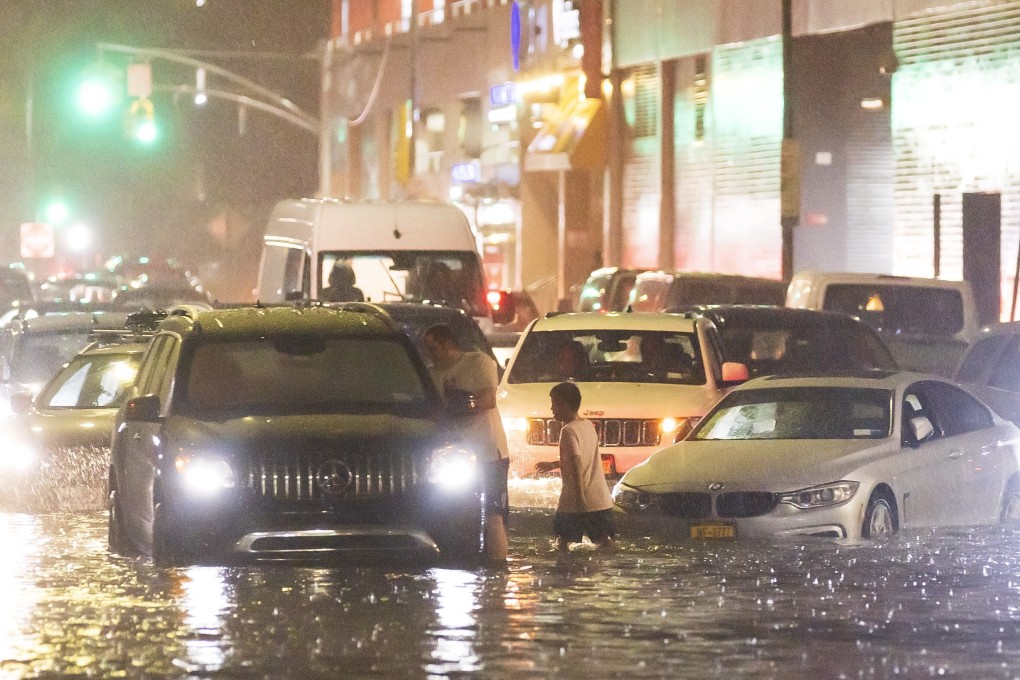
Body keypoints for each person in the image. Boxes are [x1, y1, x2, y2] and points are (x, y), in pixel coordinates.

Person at [421, 323, 510, 564]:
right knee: (451, 512)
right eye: (426, 349)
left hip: (488, 452)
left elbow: (488, 399)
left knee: (493, 514)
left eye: (434, 348)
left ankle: (498, 568)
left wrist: (458, 405)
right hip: (451, 456)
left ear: (449, 344)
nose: (430, 354)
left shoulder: (479, 362)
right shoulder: (429, 374)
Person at [539, 381, 616, 554]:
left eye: (554, 403)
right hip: (601, 500)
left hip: (575, 502)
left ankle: (567, 578)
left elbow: (577, 462)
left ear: (565, 404)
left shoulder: (568, 430)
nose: (552, 409)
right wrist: (553, 464)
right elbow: (583, 456)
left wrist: (580, 496)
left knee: (562, 545)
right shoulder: (587, 425)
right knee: (606, 545)